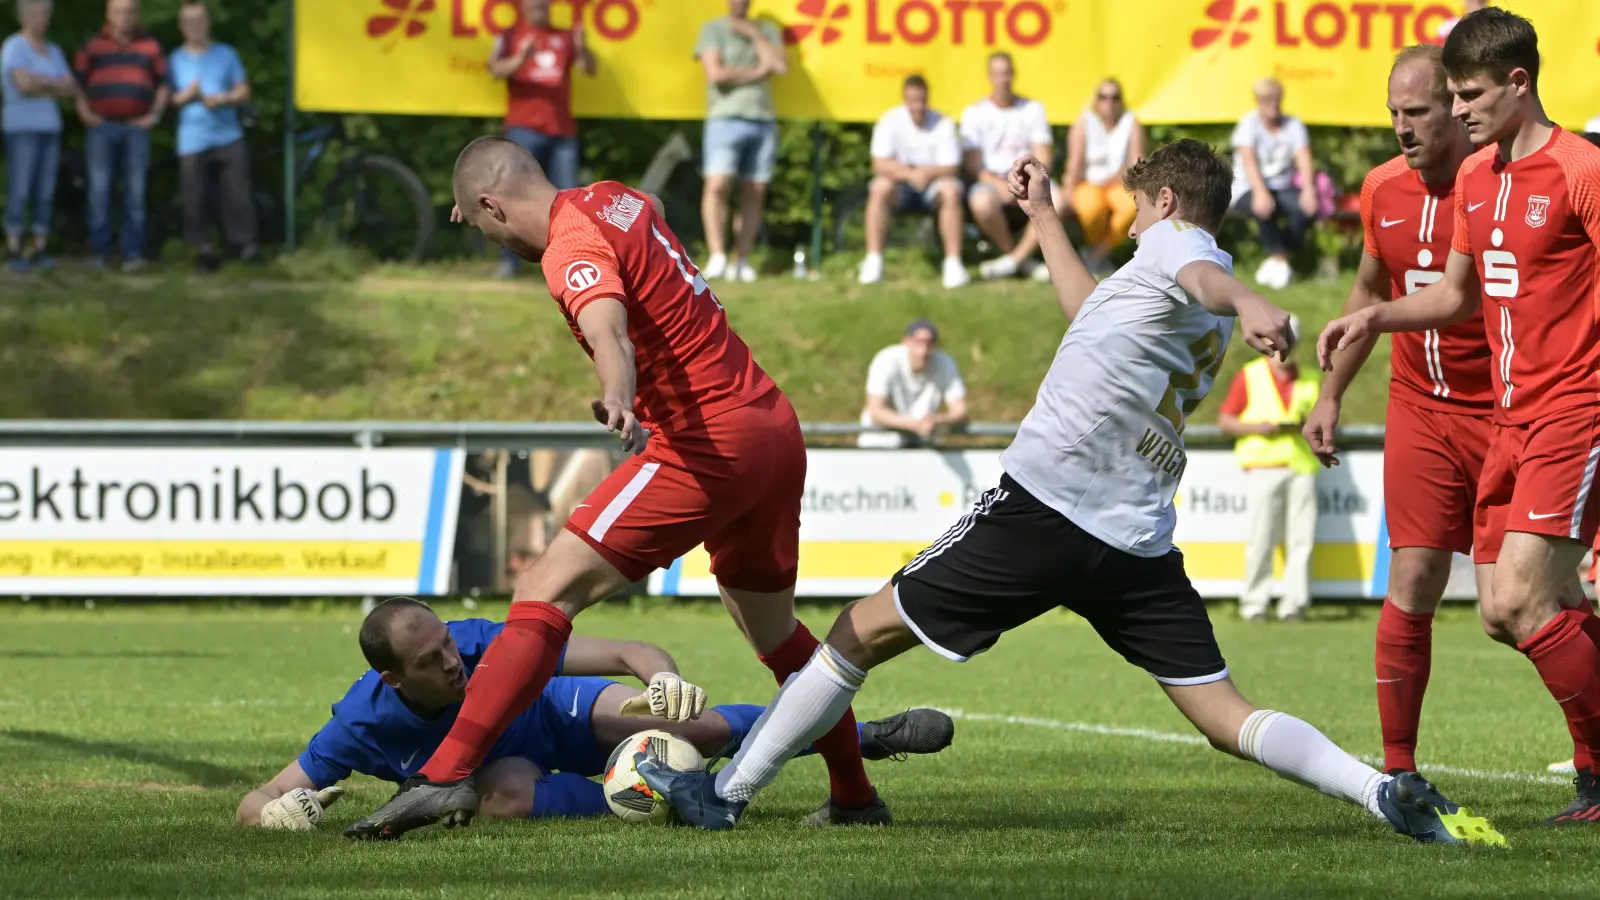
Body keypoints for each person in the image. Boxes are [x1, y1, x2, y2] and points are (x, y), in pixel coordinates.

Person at [636, 139, 1504, 848]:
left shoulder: (1183, 252)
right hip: (1133, 542)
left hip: (1045, 508)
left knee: (854, 635)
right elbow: (1090, 310)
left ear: (1166, 200)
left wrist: (1248, 301)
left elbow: (1207, 278)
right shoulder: (1169, 287)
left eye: (1135, 207)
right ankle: (1380, 792)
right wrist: (1045, 214)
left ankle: (728, 794)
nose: (1130, 225)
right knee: (1221, 713)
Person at [344, 137, 893, 839]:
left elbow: (609, 330)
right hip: (771, 426)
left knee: (542, 592)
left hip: (707, 440)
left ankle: (443, 777)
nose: (490, 241)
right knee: (777, 633)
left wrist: (617, 395)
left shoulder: (567, 247)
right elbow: (652, 209)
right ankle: (854, 795)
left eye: (484, 228)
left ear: (492, 204)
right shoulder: (612, 199)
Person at [1318, 7, 1600, 824]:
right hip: (1512, 421)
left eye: (1469, 95)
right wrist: (1370, 319)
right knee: (1506, 615)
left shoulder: (1582, 169)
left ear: (1519, 83)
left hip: (1573, 412)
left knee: (1519, 601)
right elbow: (1455, 295)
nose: (1459, 109)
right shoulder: (1480, 178)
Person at [238, 599, 951, 829]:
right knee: (505, 800)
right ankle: (666, 793)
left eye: (449, 646)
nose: (453, 663)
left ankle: (859, 734)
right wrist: (276, 813)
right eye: (429, 663)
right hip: (506, 767)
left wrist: (665, 680)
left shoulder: (488, 645)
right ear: (391, 680)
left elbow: (633, 649)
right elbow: (257, 798)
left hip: (554, 715)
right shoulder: (359, 723)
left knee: (690, 729)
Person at [1218, 327, 1320, 622]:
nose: (1282, 349)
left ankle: (1295, 604)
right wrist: (1258, 428)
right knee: (1261, 538)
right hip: (1263, 466)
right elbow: (1226, 420)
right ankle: (1255, 604)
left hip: (1301, 466)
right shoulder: (1250, 375)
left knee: (1303, 541)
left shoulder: (1311, 379)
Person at [487, 0, 595, 280]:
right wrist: (521, 59)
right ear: (523, 5)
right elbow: (495, 70)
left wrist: (583, 47)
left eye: (545, 3)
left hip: (561, 131)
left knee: (568, 202)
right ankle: (509, 262)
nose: (540, 6)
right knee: (512, 196)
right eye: (535, 3)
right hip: (523, 128)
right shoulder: (510, 35)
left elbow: (589, 69)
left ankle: (571, 265)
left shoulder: (564, 35)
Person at [694, 0, 785, 283]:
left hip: (763, 119)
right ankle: (717, 255)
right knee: (717, 185)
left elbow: (779, 66)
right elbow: (716, 75)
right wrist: (758, 72)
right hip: (725, 118)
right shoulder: (712, 30)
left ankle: (741, 259)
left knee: (754, 190)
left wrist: (753, 35)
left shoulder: (767, 30)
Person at [73, 0, 167, 271]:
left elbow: (163, 85)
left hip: (137, 127)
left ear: (136, 14)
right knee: (99, 191)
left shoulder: (151, 46)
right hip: (102, 127)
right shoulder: (92, 45)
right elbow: (77, 82)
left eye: (128, 12)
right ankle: (98, 253)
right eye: (118, 12)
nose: (124, 17)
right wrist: (84, 112)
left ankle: (132, 253)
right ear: (108, 14)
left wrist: (154, 115)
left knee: (135, 192)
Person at [960, 51, 1069, 281]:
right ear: (990, 76)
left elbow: (1043, 157)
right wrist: (1000, 185)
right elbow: (973, 166)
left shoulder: (1033, 109)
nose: (1003, 79)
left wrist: (1025, 181)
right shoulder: (974, 112)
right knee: (980, 202)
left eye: (1007, 73)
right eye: (998, 74)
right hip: (991, 181)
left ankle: (1013, 261)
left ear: (1014, 75)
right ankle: (1021, 260)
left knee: (1060, 200)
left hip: (1028, 177)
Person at [169, 1, 256, 272]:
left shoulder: (226, 54)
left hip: (228, 135)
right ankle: (203, 250)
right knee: (195, 197)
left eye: (199, 20)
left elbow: (244, 91)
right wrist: (188, 96)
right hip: (192, 138)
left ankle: (244, 247)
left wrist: (225, 98)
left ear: (208, 22)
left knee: (238, 194)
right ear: (182, 26)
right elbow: (167, 100)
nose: (195, 26)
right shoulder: (174, 60)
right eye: (189, 22)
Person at [860, 74, 967, 290]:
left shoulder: (943, 123)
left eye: (921, 99)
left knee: (951, 192)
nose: (918, 105)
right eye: (913, 100)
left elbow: (952, 166)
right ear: (905, 98)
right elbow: (879, 164)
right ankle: (873, 260)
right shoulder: (889, 120)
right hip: (900, 187)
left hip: (934, 186)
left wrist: (923, 174)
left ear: (927, 98)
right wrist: (910, 175)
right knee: (879, 188)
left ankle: (953, 263)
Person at [2, 0, 72, 272]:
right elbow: (22, 84)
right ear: (23, 17)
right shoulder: (13, 47)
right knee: (20, 189)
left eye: (45, 13)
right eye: (35, 13)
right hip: (21, 128)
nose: (41, 18)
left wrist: (41, 82)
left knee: (45, 190)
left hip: (50, 127)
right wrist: (53, 85)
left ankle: (39, 247)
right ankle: (13, 246)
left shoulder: (53, 50)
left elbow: (70, 89)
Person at [1231, 77, 1317, 290]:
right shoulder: (1247, 124)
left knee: (1305, 208)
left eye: (1277, 99)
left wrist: (1308, 189)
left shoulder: (1293, 124)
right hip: (1247, 185)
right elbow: (1248, 162)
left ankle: (1278, 259)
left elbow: (1304, 157)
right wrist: (1260, 192)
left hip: (1281, 185)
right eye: (1269, 100)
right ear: (1259, 102)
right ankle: (1280, 260)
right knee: (1263, 207)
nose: (1275, 105)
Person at [1064, 78, 1145, 277]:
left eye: (1114, 97)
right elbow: (1075, 161)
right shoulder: (1083, 121)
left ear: (1121, 101)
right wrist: (1068, 190)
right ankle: (1099, 257)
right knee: (1092, 210)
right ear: (1096, 100)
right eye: (1104, 97)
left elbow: (1138, 161)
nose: (1109, 102)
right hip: (1088, 184)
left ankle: (1095, 255)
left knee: (1131, 209)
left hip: (1120, 184)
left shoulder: (1131, 121)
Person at [857, 318, 967, 449]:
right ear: (906, 341)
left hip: (922, 441)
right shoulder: (886, 360)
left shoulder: (946, 363)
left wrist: (939, 420)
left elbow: (960, 411)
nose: (923, 350)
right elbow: (875, 410)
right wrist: (915, 425)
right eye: (918, 342)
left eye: (929, 343)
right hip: (880, 442)